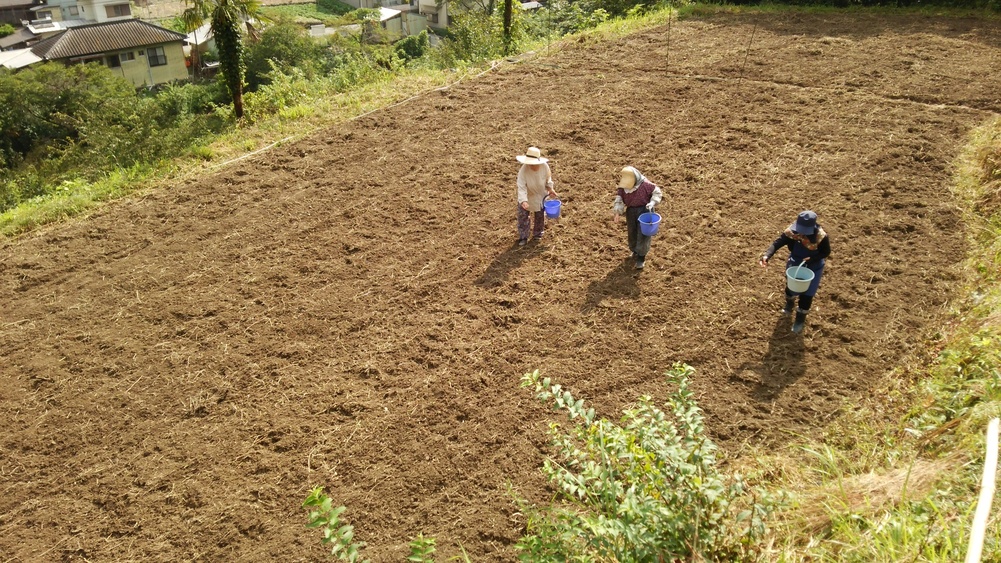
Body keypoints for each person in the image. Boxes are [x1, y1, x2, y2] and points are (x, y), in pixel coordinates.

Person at [758, 210, 831, 334]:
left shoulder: (821, 237)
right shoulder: (792, 232)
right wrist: (766, 255)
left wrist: (813, 258)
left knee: (807, 294)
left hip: (813, 267)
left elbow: (826, 252)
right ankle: (789, 303)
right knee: (791, 287)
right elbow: (778, 243)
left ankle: (800, 319)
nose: (802, 233)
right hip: (796, 263)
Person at [611, 166, 663, 270]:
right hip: (631, 212)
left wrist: (652, 202)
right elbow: (619, 199)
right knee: (632, 232)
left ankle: (641, 257)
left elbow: (657, 192)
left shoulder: (645, 185)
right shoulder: (623, 188)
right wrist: (617, 213)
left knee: (643, 234)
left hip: (644, 211)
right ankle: (634, 250)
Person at [516, 146, 558, 246]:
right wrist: (523, 200)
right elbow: (521, 186)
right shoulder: (523, 170)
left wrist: (550, 189)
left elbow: (548, 179)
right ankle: (523, 237)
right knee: (523, 217)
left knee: (540, 216)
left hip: (540, 195)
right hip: (528, 195)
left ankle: (538, 234)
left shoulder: (545, 167)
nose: (530, 165)